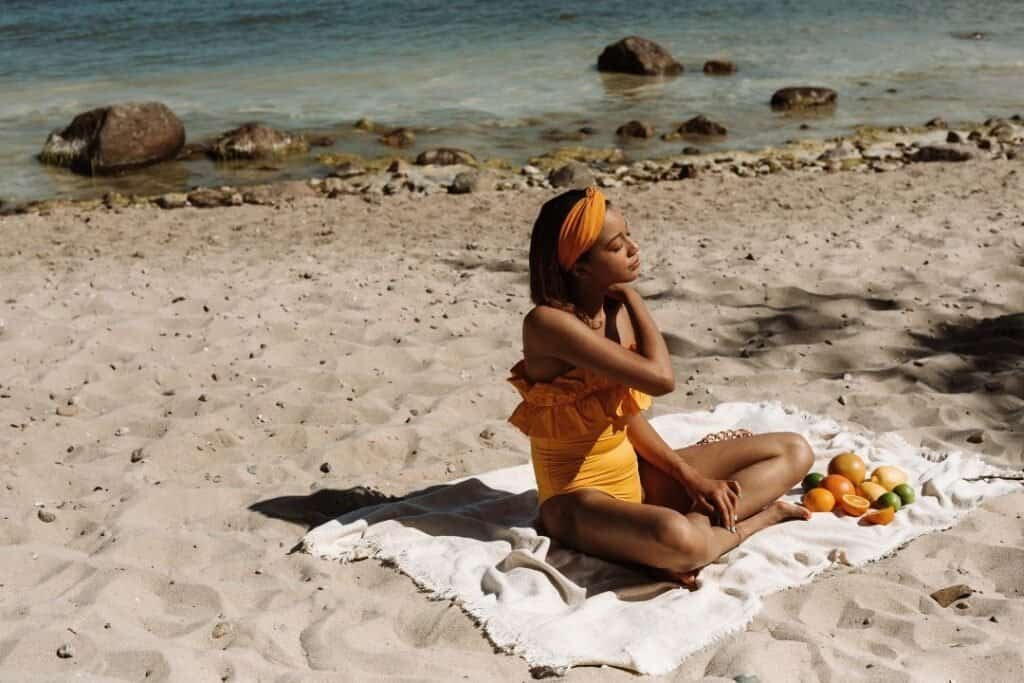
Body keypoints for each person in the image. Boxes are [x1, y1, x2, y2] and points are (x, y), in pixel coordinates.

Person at [507, 187, 814, 588]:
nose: (633, 249)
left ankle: (697, 531)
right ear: (580, 267)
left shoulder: (611, 311)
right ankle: (751, 522)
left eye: (629, 236)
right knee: (678, 538)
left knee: (795, 450)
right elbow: (661, 379)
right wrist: (633, 296)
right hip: (576, 502)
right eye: (617, 246)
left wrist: (690, 478)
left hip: (635, 474)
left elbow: (624, 415)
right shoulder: (547, 324)